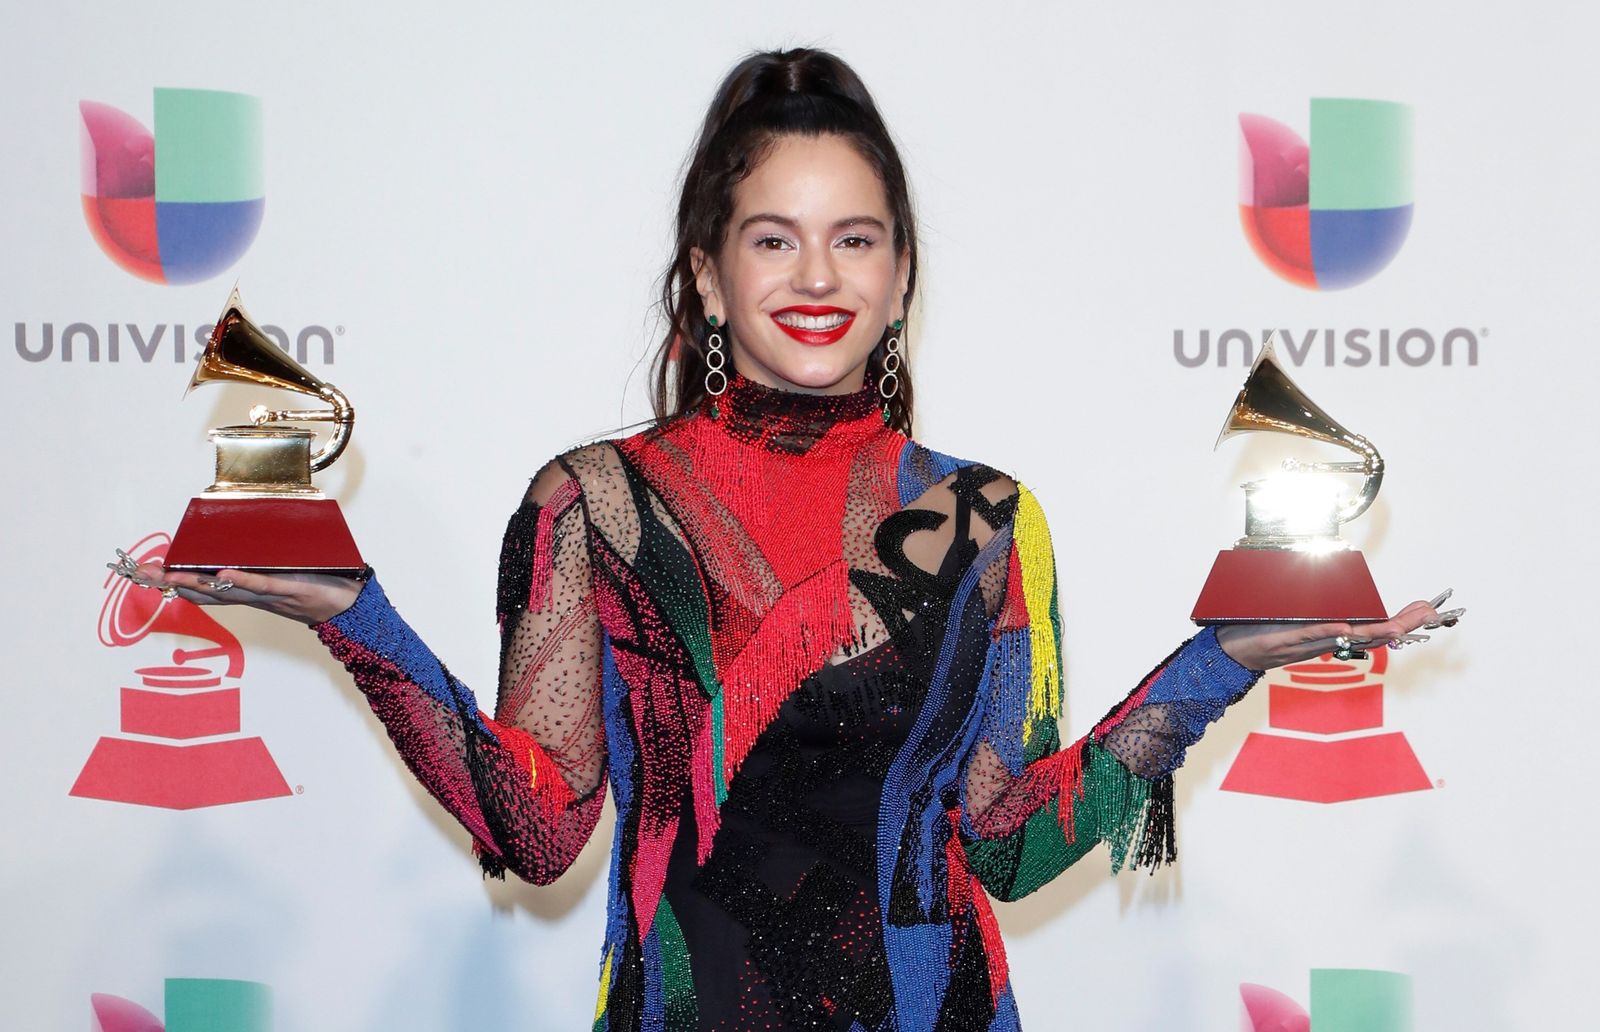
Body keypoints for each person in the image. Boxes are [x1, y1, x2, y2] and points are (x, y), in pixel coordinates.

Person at [124, 48, 1456, 1032]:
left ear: (898, 278)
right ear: (708, 271)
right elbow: (536, 828)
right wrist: (353, 618)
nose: (817, 278)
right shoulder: (591, 505)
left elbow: (1006, 838)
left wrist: (1224, 659)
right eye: (775, 239)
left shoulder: (986, 521)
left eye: (855, 240)